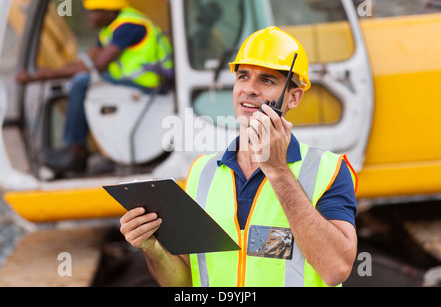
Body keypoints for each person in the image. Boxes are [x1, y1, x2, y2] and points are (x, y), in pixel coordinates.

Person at [119, 26, 358, 287]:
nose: (250, 89)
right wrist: (152, 247)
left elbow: (335, 269)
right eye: (243, 76)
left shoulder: (327, 171)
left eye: (267, 80)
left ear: (294, 98)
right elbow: (185, 283)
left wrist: (278, 171)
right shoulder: (203, 172)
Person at [16, 0, 173, 175]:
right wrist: (51, 72)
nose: (90, 16)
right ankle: (89, 149)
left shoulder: (129, 27)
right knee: (78, 79)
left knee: (82, 82)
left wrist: (46, 74)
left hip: (150, 86)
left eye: (95, 11)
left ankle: (77, 152)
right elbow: (86, 60)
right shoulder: (111, 29)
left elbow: (98, 65)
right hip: (133, 83)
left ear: (109, 11)